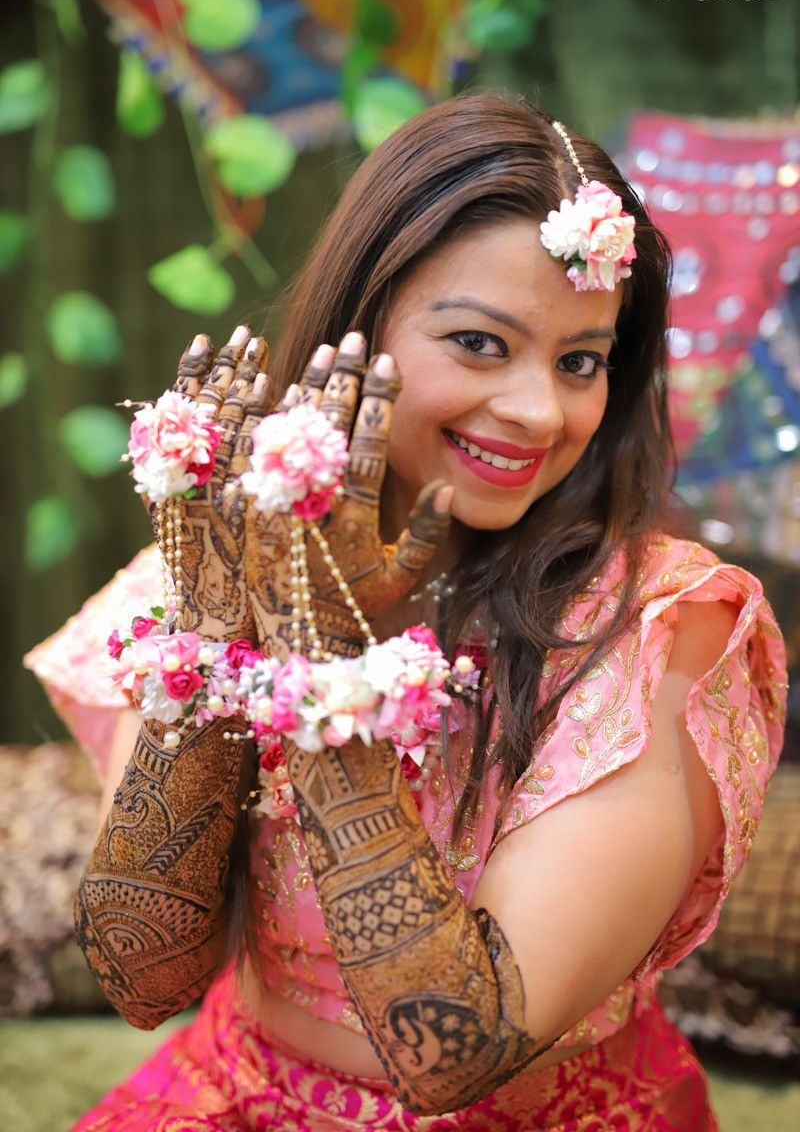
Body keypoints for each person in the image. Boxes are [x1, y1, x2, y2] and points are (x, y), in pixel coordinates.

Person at [27, 93, 786, 1131]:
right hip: (228, 1099)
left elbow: (454, 1052)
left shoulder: (658, 626)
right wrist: (217, 628)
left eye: (579, 362)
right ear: (357, 326)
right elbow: (144, 979)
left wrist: (317, 652)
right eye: (479, 343)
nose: (537, 411)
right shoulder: (214, 559)